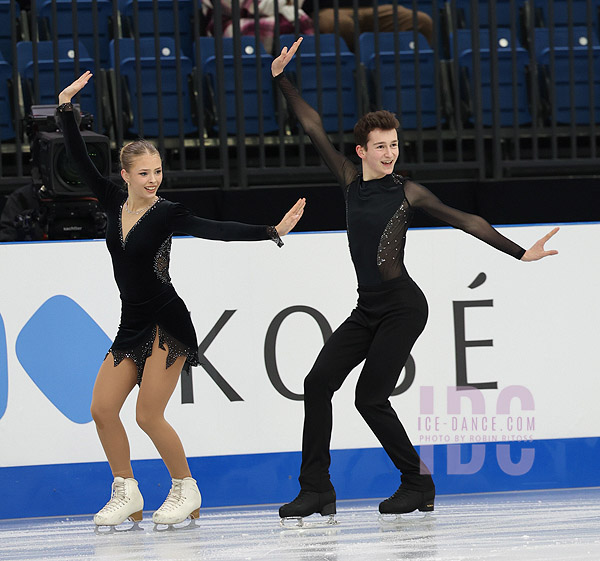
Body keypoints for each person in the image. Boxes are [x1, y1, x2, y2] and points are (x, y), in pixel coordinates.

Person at [272, 38, 559, 521]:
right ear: (361, 150)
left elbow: (465, 218)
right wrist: (282, 79)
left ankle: (417, 482)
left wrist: (519, 252)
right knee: (317, 382)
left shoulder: (407, 190)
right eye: (380, 146)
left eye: (394, 145)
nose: (389, 152)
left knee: (369, 396)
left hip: (404, 306)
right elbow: (312, 125)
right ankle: (316, 488)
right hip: (367, 308)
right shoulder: (348, 179)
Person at [57, 71, 306, 529]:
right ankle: (126, 491)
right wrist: (66, 108)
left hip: (168, 323)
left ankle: (184, 487)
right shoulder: (112, 201)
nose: (153, 180)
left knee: (148, 414)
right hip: (131, 323)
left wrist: (271, 232)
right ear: (125, 174)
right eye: (144, 173)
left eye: (157, 172)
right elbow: (77, 157)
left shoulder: (168, 213)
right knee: (101, 408)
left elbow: (218, 228)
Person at [303, 0, 433, 51]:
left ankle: (418, 68)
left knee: (420, 20)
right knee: (341, 24)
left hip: (368, 8)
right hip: (325, 10)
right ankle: (355, 70)